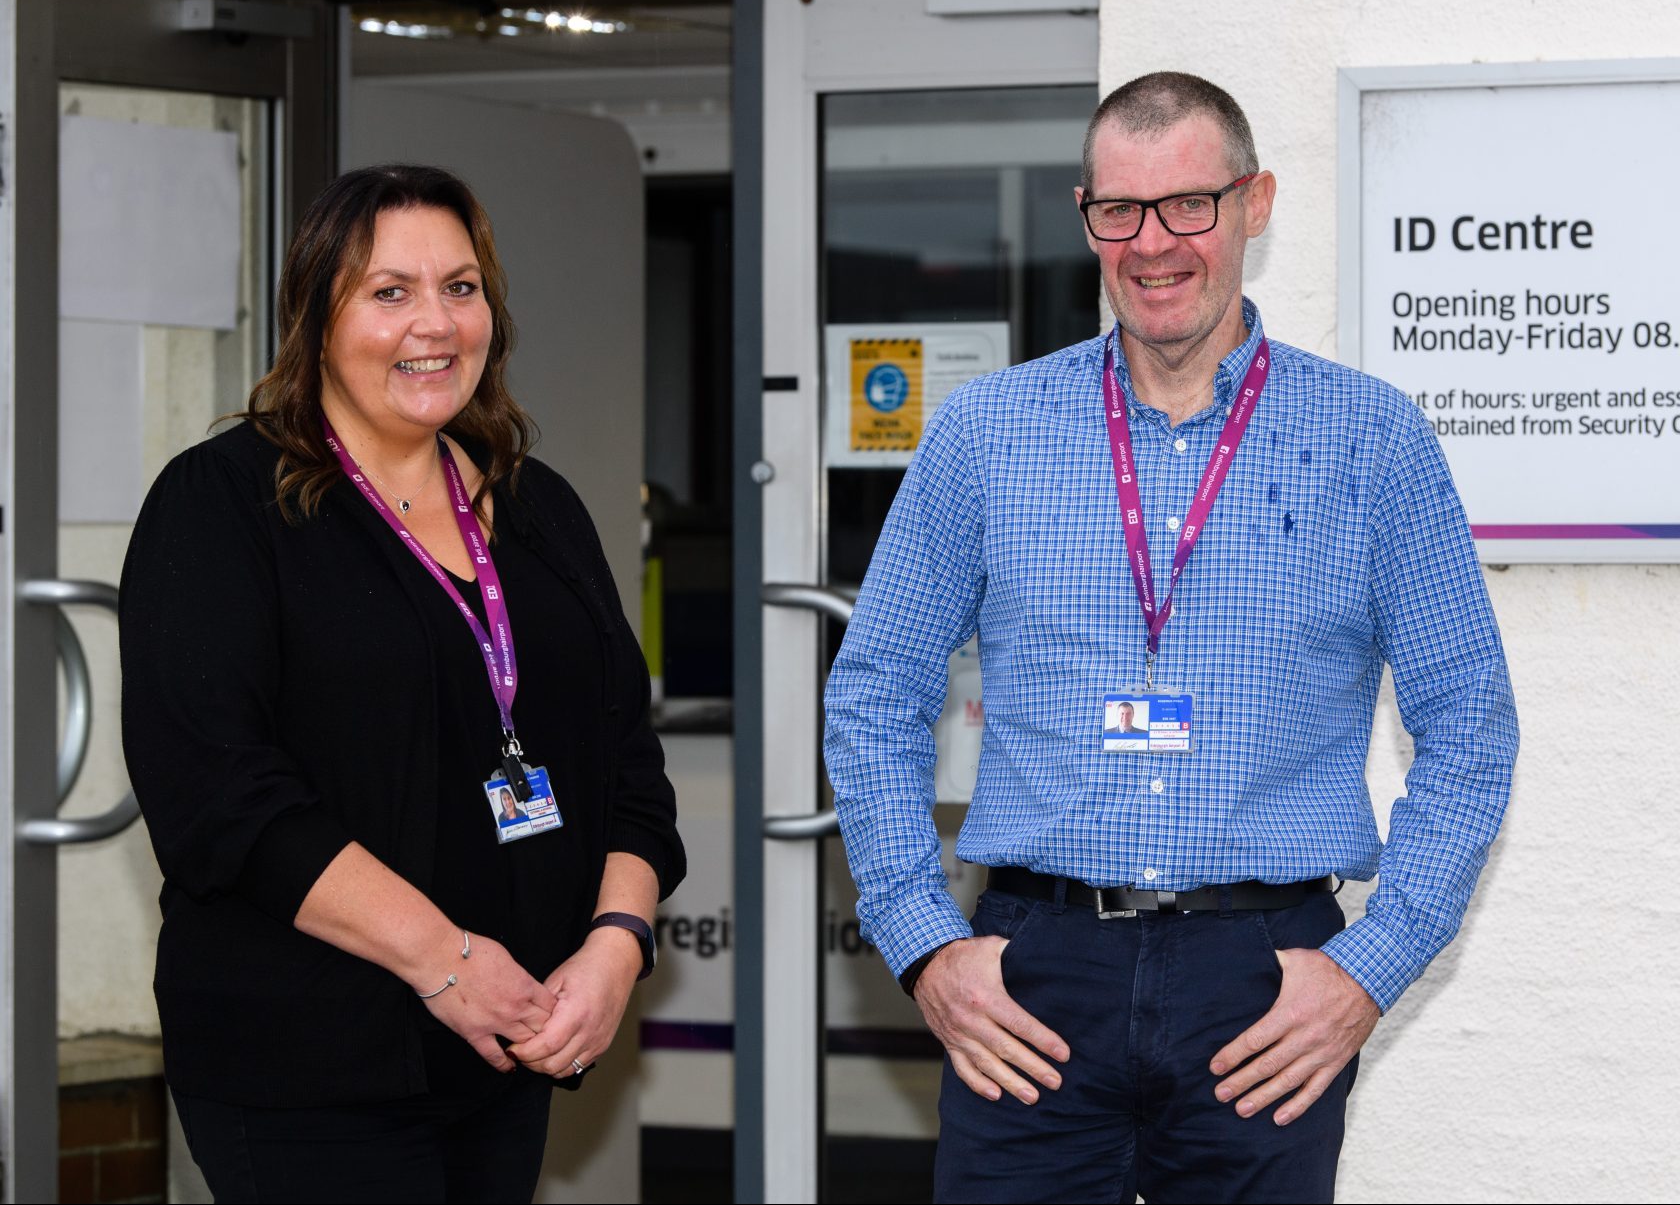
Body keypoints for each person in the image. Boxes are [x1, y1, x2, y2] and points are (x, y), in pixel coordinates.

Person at [823, 73, 1517, 1203]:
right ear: (1086, 215)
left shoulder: (1372, 440)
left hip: (1262, 986)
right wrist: (923, 940)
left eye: (1190, 204)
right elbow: (874, 692)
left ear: (1255, 203)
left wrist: (1368, 970)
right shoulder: (987, 433)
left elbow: (1471, 727)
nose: (1153, 244)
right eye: (1121, 211)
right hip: (1035, 980)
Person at [120, 164, 685, 1203]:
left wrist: (616, 947)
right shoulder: (222, 505)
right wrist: (445, 960)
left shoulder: (540, 508)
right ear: (316, 320)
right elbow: (219, 796)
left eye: (461, 287)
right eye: (389, 292)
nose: (435, 323)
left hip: (504, 1047)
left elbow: (629, 765)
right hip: (310, 1062)